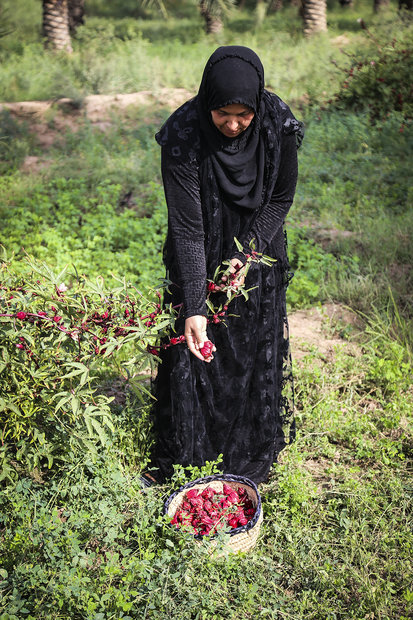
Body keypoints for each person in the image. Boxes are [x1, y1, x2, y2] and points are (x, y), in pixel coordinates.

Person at [145, 46, 303, 487]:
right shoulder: (182, 132)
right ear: (206, 102)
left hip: (257, 246)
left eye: (242, 115)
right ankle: (191, 453)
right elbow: (188, 228)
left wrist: (246, 256)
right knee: (196, 345)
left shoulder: (277, 123)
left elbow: (280, 199)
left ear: (256, 105)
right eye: (222, 114)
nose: (233, 125)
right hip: (200, 248)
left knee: (251, 346)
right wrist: (195, 303)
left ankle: (245, 452)